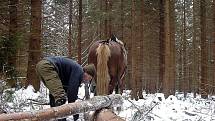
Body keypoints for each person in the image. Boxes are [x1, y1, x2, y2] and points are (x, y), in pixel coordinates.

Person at [36, 56, 96, 121]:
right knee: (60, 98)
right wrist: (75, 110)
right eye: (89, 78)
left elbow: (66, 89)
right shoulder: (79, 71)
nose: (87, 81)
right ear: (86, 73)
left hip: (41, 66)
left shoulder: (73, 72)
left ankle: (54, 117)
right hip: (48, 66)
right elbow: (72, 91)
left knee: (55, 95)